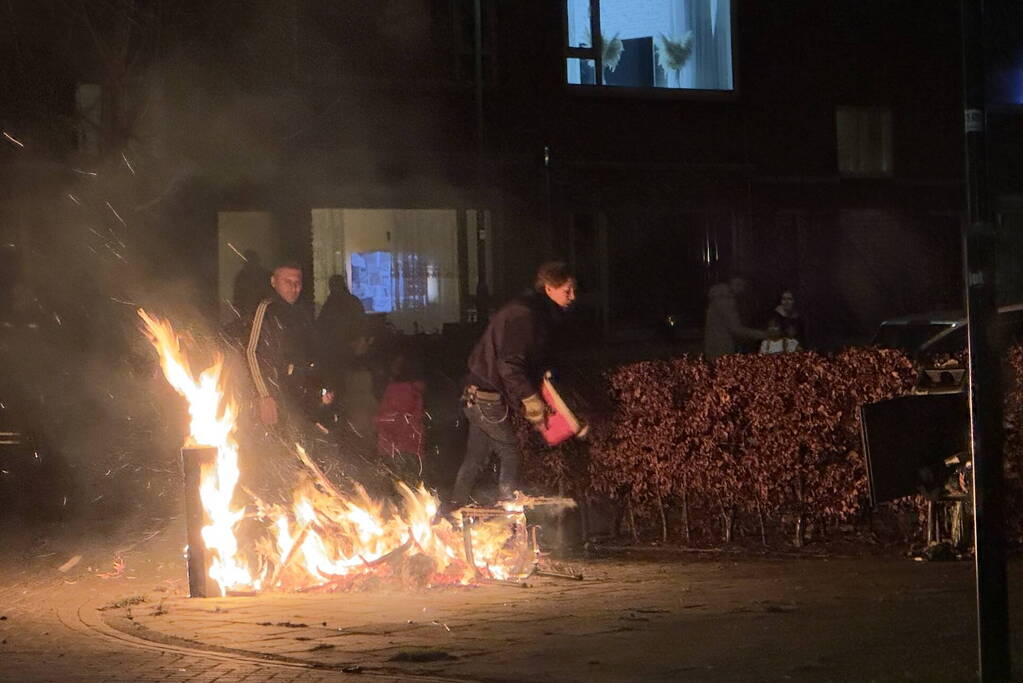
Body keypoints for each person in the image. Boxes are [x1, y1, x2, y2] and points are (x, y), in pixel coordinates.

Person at [440, 261, 577, 516]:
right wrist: (530, 399)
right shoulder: (526, 315)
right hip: (486, 396)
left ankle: (453, 508)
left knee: (476, 457)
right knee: (510, 451)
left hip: (476, 394)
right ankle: (509, 508)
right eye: (567, 290)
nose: (573, 296)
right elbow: (510, 365)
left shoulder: (529, 311)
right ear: (549, 288)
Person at [245, 261, 319, 431]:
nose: (294, 287)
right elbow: (252, 352)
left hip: (300, 396)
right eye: (287, 282)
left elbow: (310, 353)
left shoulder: (302, 312)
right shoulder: (267, 309)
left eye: (297, 282)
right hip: (277, 395)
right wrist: (265, 395)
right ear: (273, 282)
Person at [703, 275, 768, 361]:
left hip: (713, 347)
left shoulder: (716, 298)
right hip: (723, 350)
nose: (742, 289)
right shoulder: (726, 301)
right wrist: (763, 334)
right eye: (740, 285)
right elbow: (736, 329)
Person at [232, 250, 271, 319]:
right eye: (247, 261)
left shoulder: (267, 275)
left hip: (265, 314)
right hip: (247, 315)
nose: (249, 263)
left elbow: (271, 296)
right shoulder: (241, 276)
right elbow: (237, 298)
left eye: (251, 260)